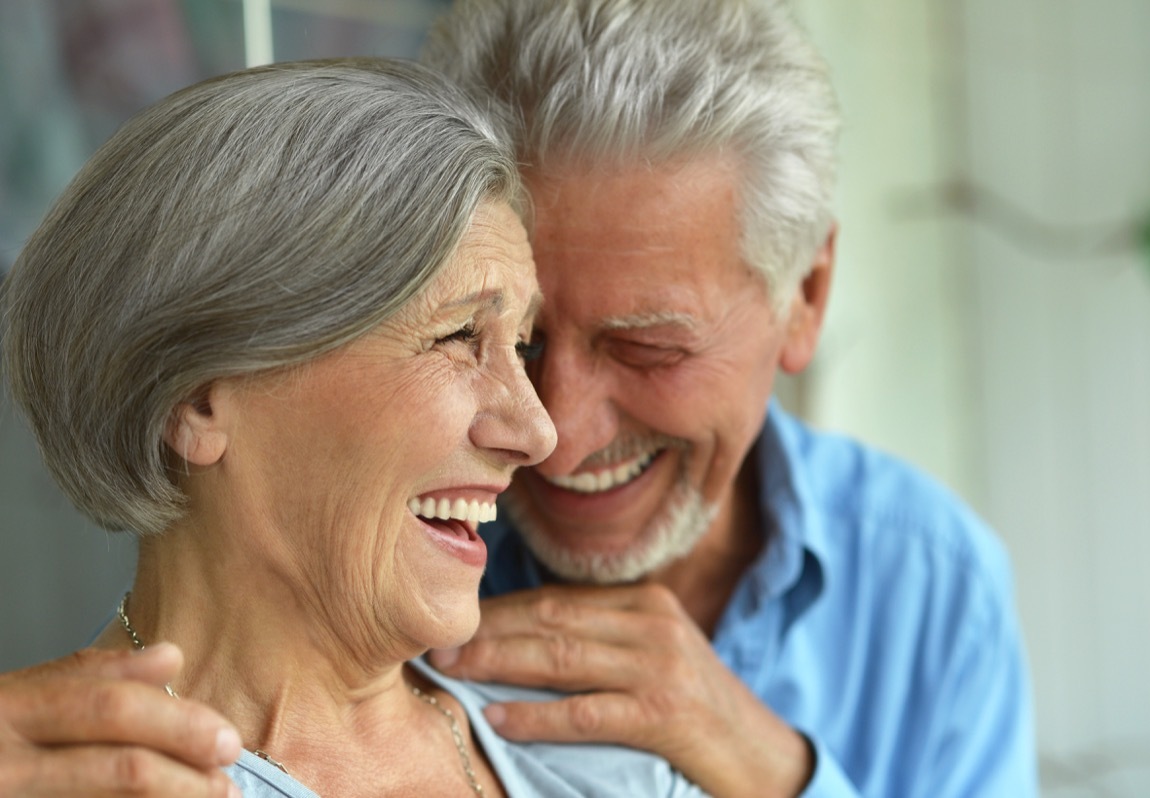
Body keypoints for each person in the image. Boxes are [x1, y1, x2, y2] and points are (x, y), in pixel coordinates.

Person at [0, 56, 711, 798]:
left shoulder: (608, 762)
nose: (538, 432)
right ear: (199, 399)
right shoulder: (48, 777)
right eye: (459, 335)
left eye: (520, 347)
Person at [413, 1, 1040, 796]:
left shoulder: (930, 583)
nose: (558, 435)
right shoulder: (372, 551)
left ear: (805, 297)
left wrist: (771, 768)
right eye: (511, 342)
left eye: (649, 349)